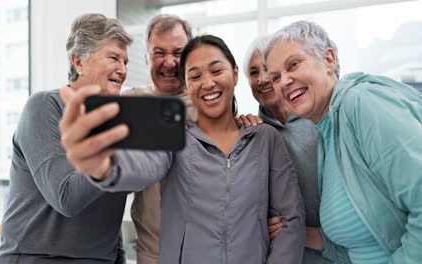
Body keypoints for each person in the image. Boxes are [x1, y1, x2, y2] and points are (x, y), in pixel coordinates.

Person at [59, 35, 305, 264]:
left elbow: (290, 222)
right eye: (195, 76)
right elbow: (142, 167)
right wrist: (105, 166)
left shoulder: (265, 138)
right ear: (186, 85)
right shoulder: (174, 137)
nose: (207, 83)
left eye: (217, 71)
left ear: (235, 73)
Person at [264, 20, 422, 264]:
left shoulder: (362, 103)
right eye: (275, 77)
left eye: (293, 65)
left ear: (329, 60)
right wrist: (301, 233)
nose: (283, 81)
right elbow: (358, 247)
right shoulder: (327, 136)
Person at [0, 13, 132, 264]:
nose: (122, 70)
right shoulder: (45, 107)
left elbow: (108, 211)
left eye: (125, 62)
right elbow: (66, 197)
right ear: (78, 62)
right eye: (113, 58)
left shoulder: (114, 124)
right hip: (35, 258)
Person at [244, 36, 334, 264]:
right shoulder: (251, 132)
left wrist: (310, 234)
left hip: (342, 250)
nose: (263, 79)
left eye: (268, 70)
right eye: (254, 73)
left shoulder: (319, 116)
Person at [121, 15, 195, 264]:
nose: (170, 62)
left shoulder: (210, 102)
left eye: (178, 52)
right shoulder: (129, 103)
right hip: (152, 254)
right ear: (146, 58)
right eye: (159, 53)